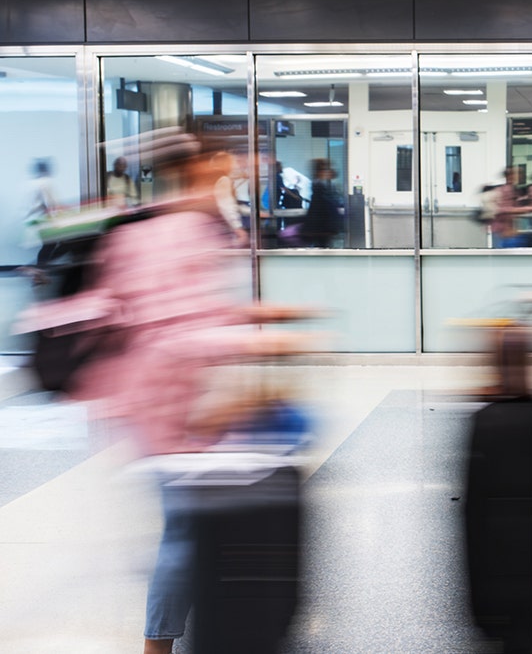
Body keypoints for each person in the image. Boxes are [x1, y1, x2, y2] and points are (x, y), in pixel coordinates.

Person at [16, 136, 315, 654]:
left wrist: (264, 319)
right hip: (168, 410)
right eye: (221, 171)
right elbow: (174, 334)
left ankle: (169, 636)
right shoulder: (176, 232)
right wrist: (264, 337)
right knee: (184, 533)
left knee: (189, 529)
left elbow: (190, 314)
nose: (229, 178)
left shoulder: (166, 227)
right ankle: (160, 643)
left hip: (170, 403)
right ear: (196, 171)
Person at [490, 166, 532, 248]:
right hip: (505, 234)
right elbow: (505, 209)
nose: (520, 176)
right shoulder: (506, 189)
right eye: (518, 173)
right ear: (511, 176)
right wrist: (528, 209)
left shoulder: (512, 189)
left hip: (508, 233)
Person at [301, 158, 343, 247]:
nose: (330, 171)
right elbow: (319, 211)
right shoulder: (319, 189)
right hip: (321, 230)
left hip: (323, 229)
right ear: (319, 172)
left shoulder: (324, 187)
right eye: (326, 169)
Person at [210, 151, 248, 245]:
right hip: (222, 227)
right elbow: (226, 205)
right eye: (231, 163)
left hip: (211, 225)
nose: (233, 166)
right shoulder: (223, 180)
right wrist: (238, 228)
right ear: (226, 164)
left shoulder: (210, 179)